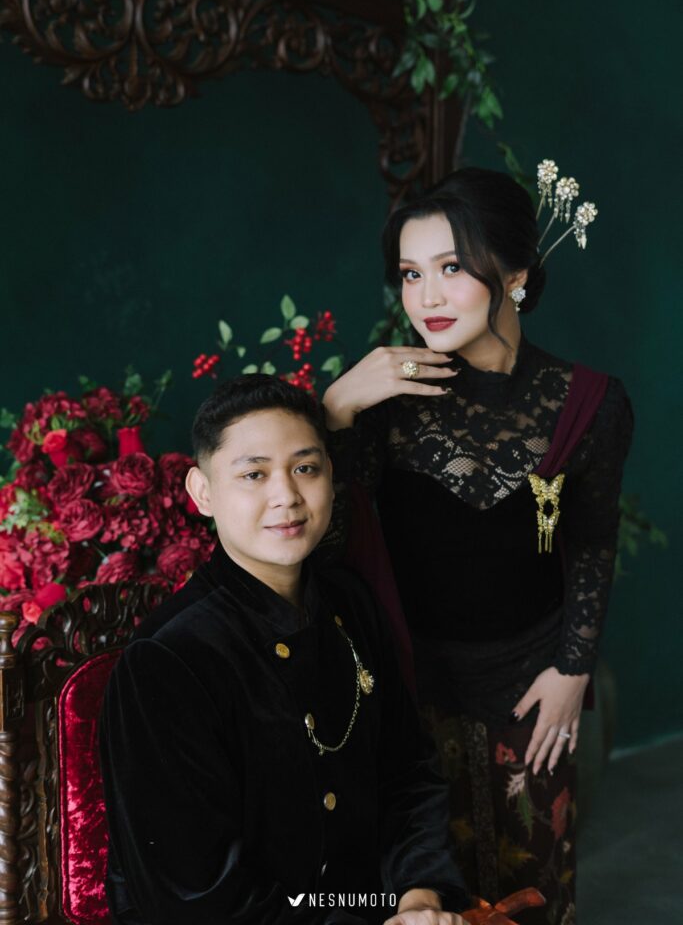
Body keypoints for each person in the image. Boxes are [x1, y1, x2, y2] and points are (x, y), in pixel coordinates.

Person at [321, 167, 633, 925]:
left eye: (451, 268)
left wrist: (572, 668)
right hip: (409, 685)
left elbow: (592, 540)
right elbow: (327, 549)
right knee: (430, 894)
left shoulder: (589, 402)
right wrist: (334, 409)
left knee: (534, 888)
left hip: (531, 676)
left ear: (515, 276)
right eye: (410, 274)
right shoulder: (382, 398)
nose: (425, 296)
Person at [99, 375, 470, 925]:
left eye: (306, 468)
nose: (287, 497)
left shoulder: (350, 602)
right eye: (254, 474)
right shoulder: (169, 659)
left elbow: (408, 772)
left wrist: (418, 897)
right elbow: (194, 897)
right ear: (202, 492)